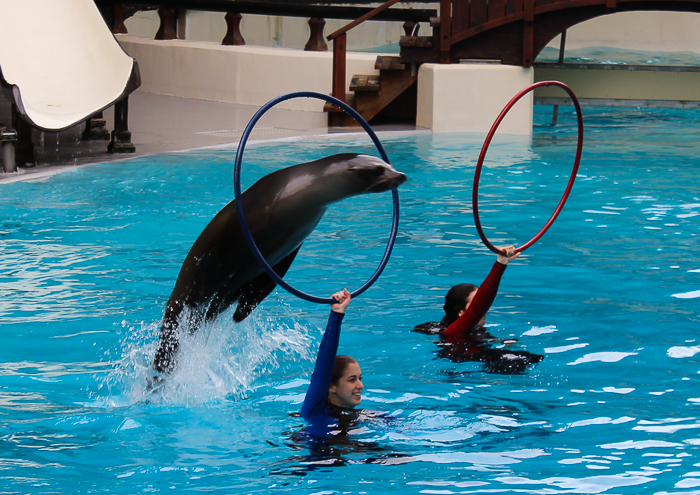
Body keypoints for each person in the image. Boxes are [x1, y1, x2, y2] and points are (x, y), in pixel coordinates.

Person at [414, 246, 543, 373]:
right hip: (464, 372)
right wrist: (500, 264)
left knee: (526, 357)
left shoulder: (477, 330)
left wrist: (502, 342)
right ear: (461, 312)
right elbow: (483, 301)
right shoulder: (454, 331)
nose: (483, 309)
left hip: (477, 364)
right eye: (476, 304)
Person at [300, 289, 382, 439]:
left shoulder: (364, 416)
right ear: (331, 386)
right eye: (352, 379)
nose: (360, 385)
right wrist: (336, 314)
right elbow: (324, 364)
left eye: (360, 378)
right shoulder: (315, 410)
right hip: (320, 459)